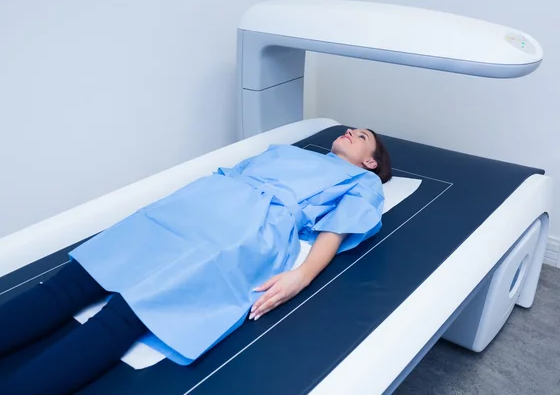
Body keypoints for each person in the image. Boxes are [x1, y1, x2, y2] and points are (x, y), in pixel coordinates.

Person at [0, 128, 392, 394]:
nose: (350, 132)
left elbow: (335, 230)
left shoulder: (363, 183)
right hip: (196, 203)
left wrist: (302, 275)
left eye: (362, 137)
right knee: (73, 281)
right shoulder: (286, 151)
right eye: (350, 128)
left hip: (249, 229)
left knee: (131, 313)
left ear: (371, 162)